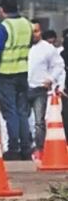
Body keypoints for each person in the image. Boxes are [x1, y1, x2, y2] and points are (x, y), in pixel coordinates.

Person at [0, 0, 34, 160]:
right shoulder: (28, 25)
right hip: (23, 73)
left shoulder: (3, 27)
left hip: (6, 74)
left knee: (10, 112)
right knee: (23, 112)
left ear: (2, 10)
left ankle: (13, 148)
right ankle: (26, 148)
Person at [27, 23, 65, 157]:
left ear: (40, 31)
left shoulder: (47, 48)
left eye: (36, 31)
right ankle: (25, 148)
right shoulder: (21, 47)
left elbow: (59, 65)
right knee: (23, 120)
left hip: (40, 88)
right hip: (22, 88)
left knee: (39, 121)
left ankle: (39, 148)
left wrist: (51, 79)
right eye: (31, 32)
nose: (34, 34)